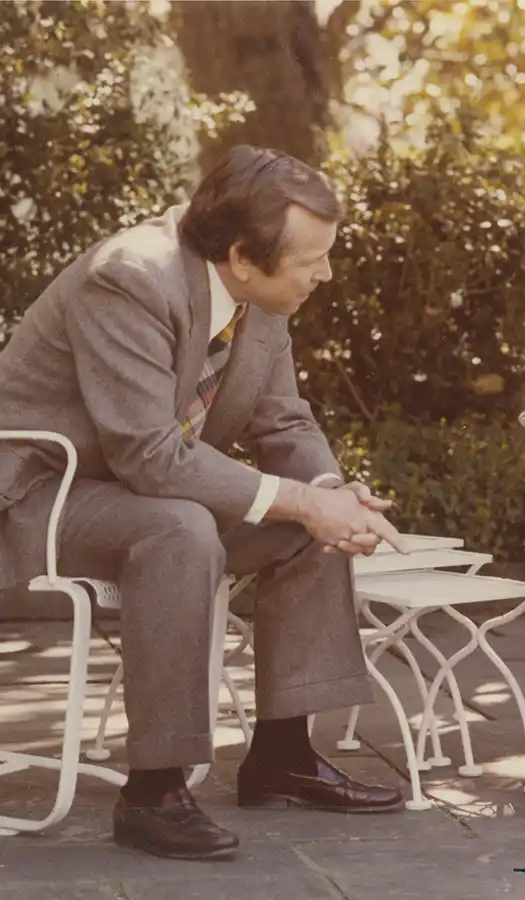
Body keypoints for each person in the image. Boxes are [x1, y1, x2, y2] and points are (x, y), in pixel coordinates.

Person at [0, 145, 411, 860]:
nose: (327, 272)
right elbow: (148, 454)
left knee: (304, 524)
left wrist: (329, 494)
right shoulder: (129, 277)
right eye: (312, 258)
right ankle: (154, 791)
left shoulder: (256, 295)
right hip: (38, 498)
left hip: (133, 490)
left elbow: (283, 421)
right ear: (244, 255)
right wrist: (297, 500)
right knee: (181, 528)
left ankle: (283, 755)